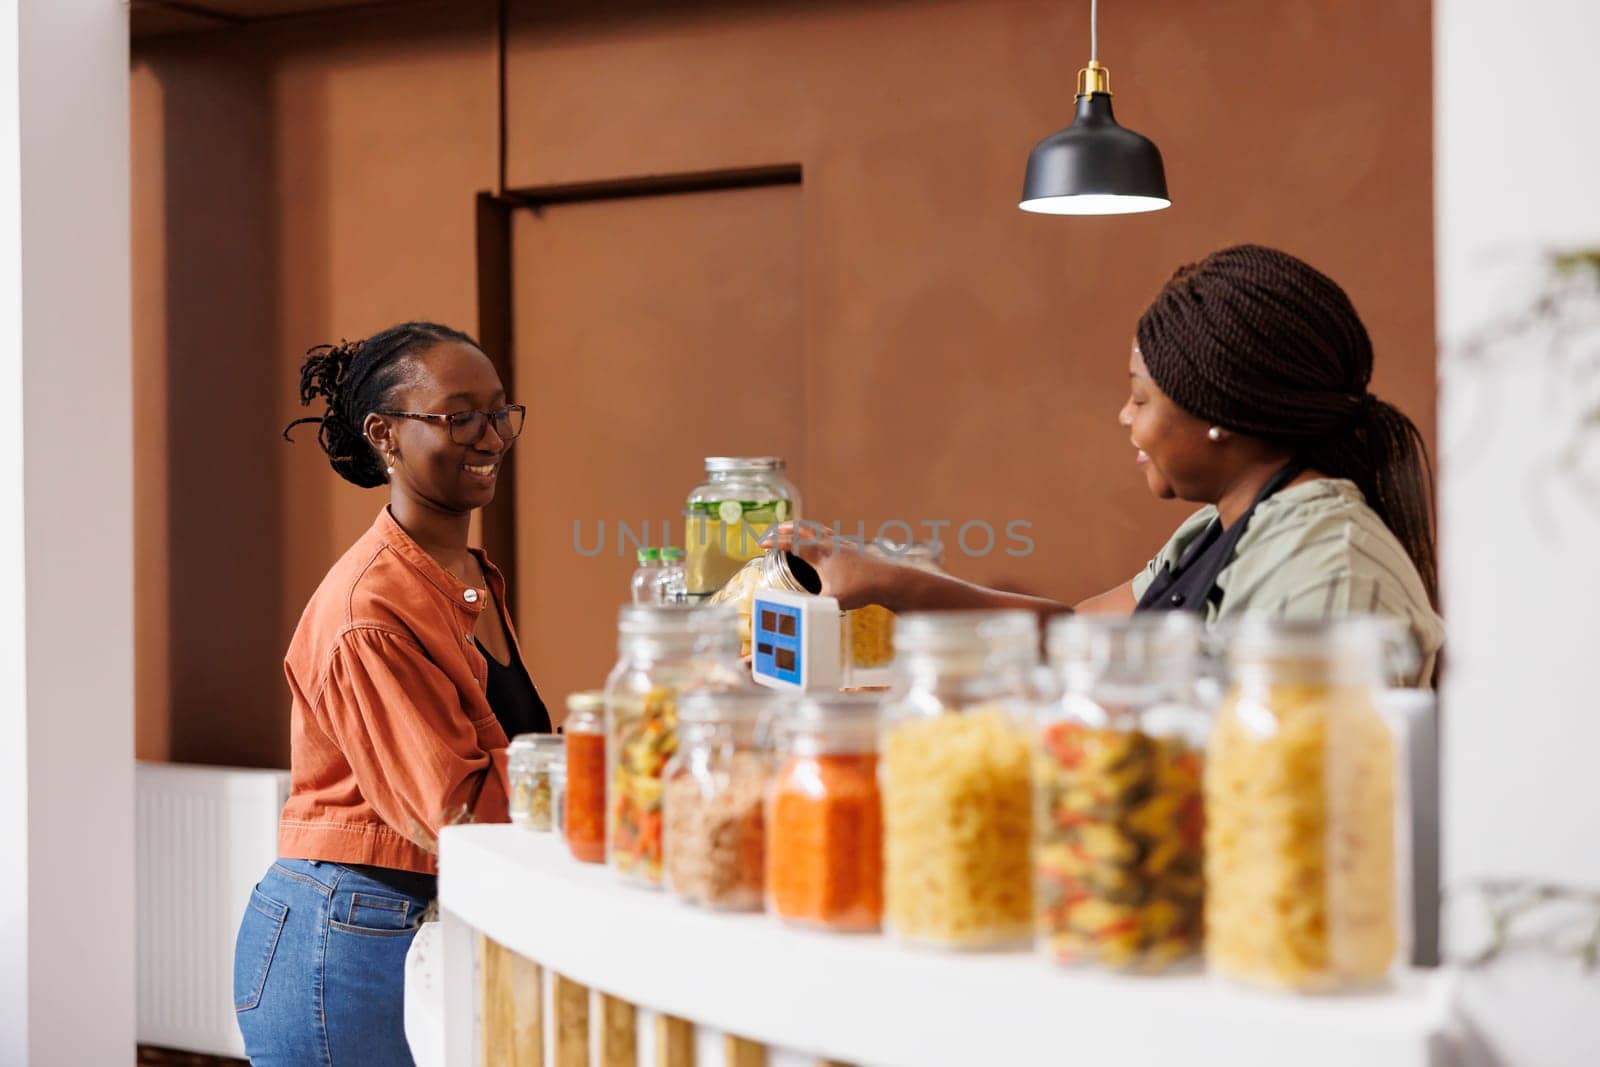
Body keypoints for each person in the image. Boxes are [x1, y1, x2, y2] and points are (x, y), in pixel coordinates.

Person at [772, 244, 1444, 682]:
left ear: (1218, 414)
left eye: (1139, 397)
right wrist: (888, 580)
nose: (1126, 418)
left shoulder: (1327, 568)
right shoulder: (1226, 526)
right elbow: (1073, 633)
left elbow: (1290, 795)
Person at [233, 322, 547, 1065]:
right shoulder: (371, 611)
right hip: (347, 941)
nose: (491, 435)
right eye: (458, 416)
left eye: (500, 411)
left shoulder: (467, 575)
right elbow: (455, 807)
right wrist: (605, 756)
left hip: (412, 921)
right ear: (385, 434)